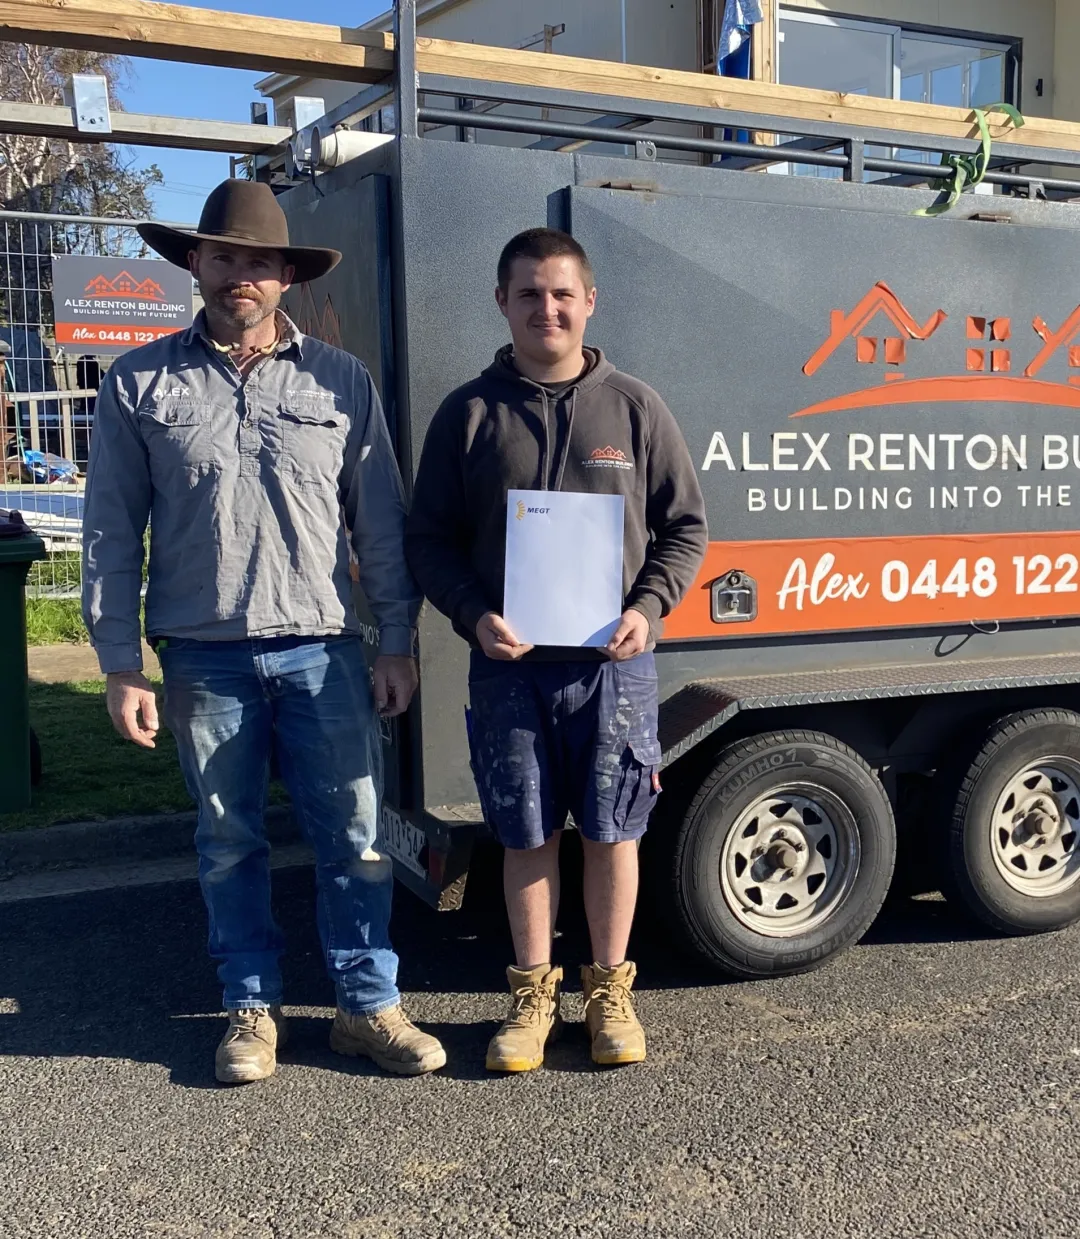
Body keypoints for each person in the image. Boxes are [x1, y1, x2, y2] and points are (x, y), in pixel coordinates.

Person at [82, 179, 445, 1085]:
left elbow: (382, 525)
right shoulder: (140, 383)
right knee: (228, 841)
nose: (241, 274)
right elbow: (110, 531)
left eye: (260, 261)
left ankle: (368, 1007)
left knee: (356, 839)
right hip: (202, 657)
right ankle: (251, 1006)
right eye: (225, 256)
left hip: (323, 648)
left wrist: (395, 637)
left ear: (286, 277)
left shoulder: (340, 380)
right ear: (195, 264)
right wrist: (121, 664)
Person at [406, 228, 707, 1071]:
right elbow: (428, 539)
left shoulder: (637, 409)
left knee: (614, 833)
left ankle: (610, 994)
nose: (548, 308)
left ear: (589, 302)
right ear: (502, 301)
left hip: (616, 669)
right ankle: (531, 998)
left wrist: (649, 607)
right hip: (510, 667)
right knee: (526, 833)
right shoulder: (468, 413)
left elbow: (686, 528)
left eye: (562, 293)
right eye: (530, 293)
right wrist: (472, 614)